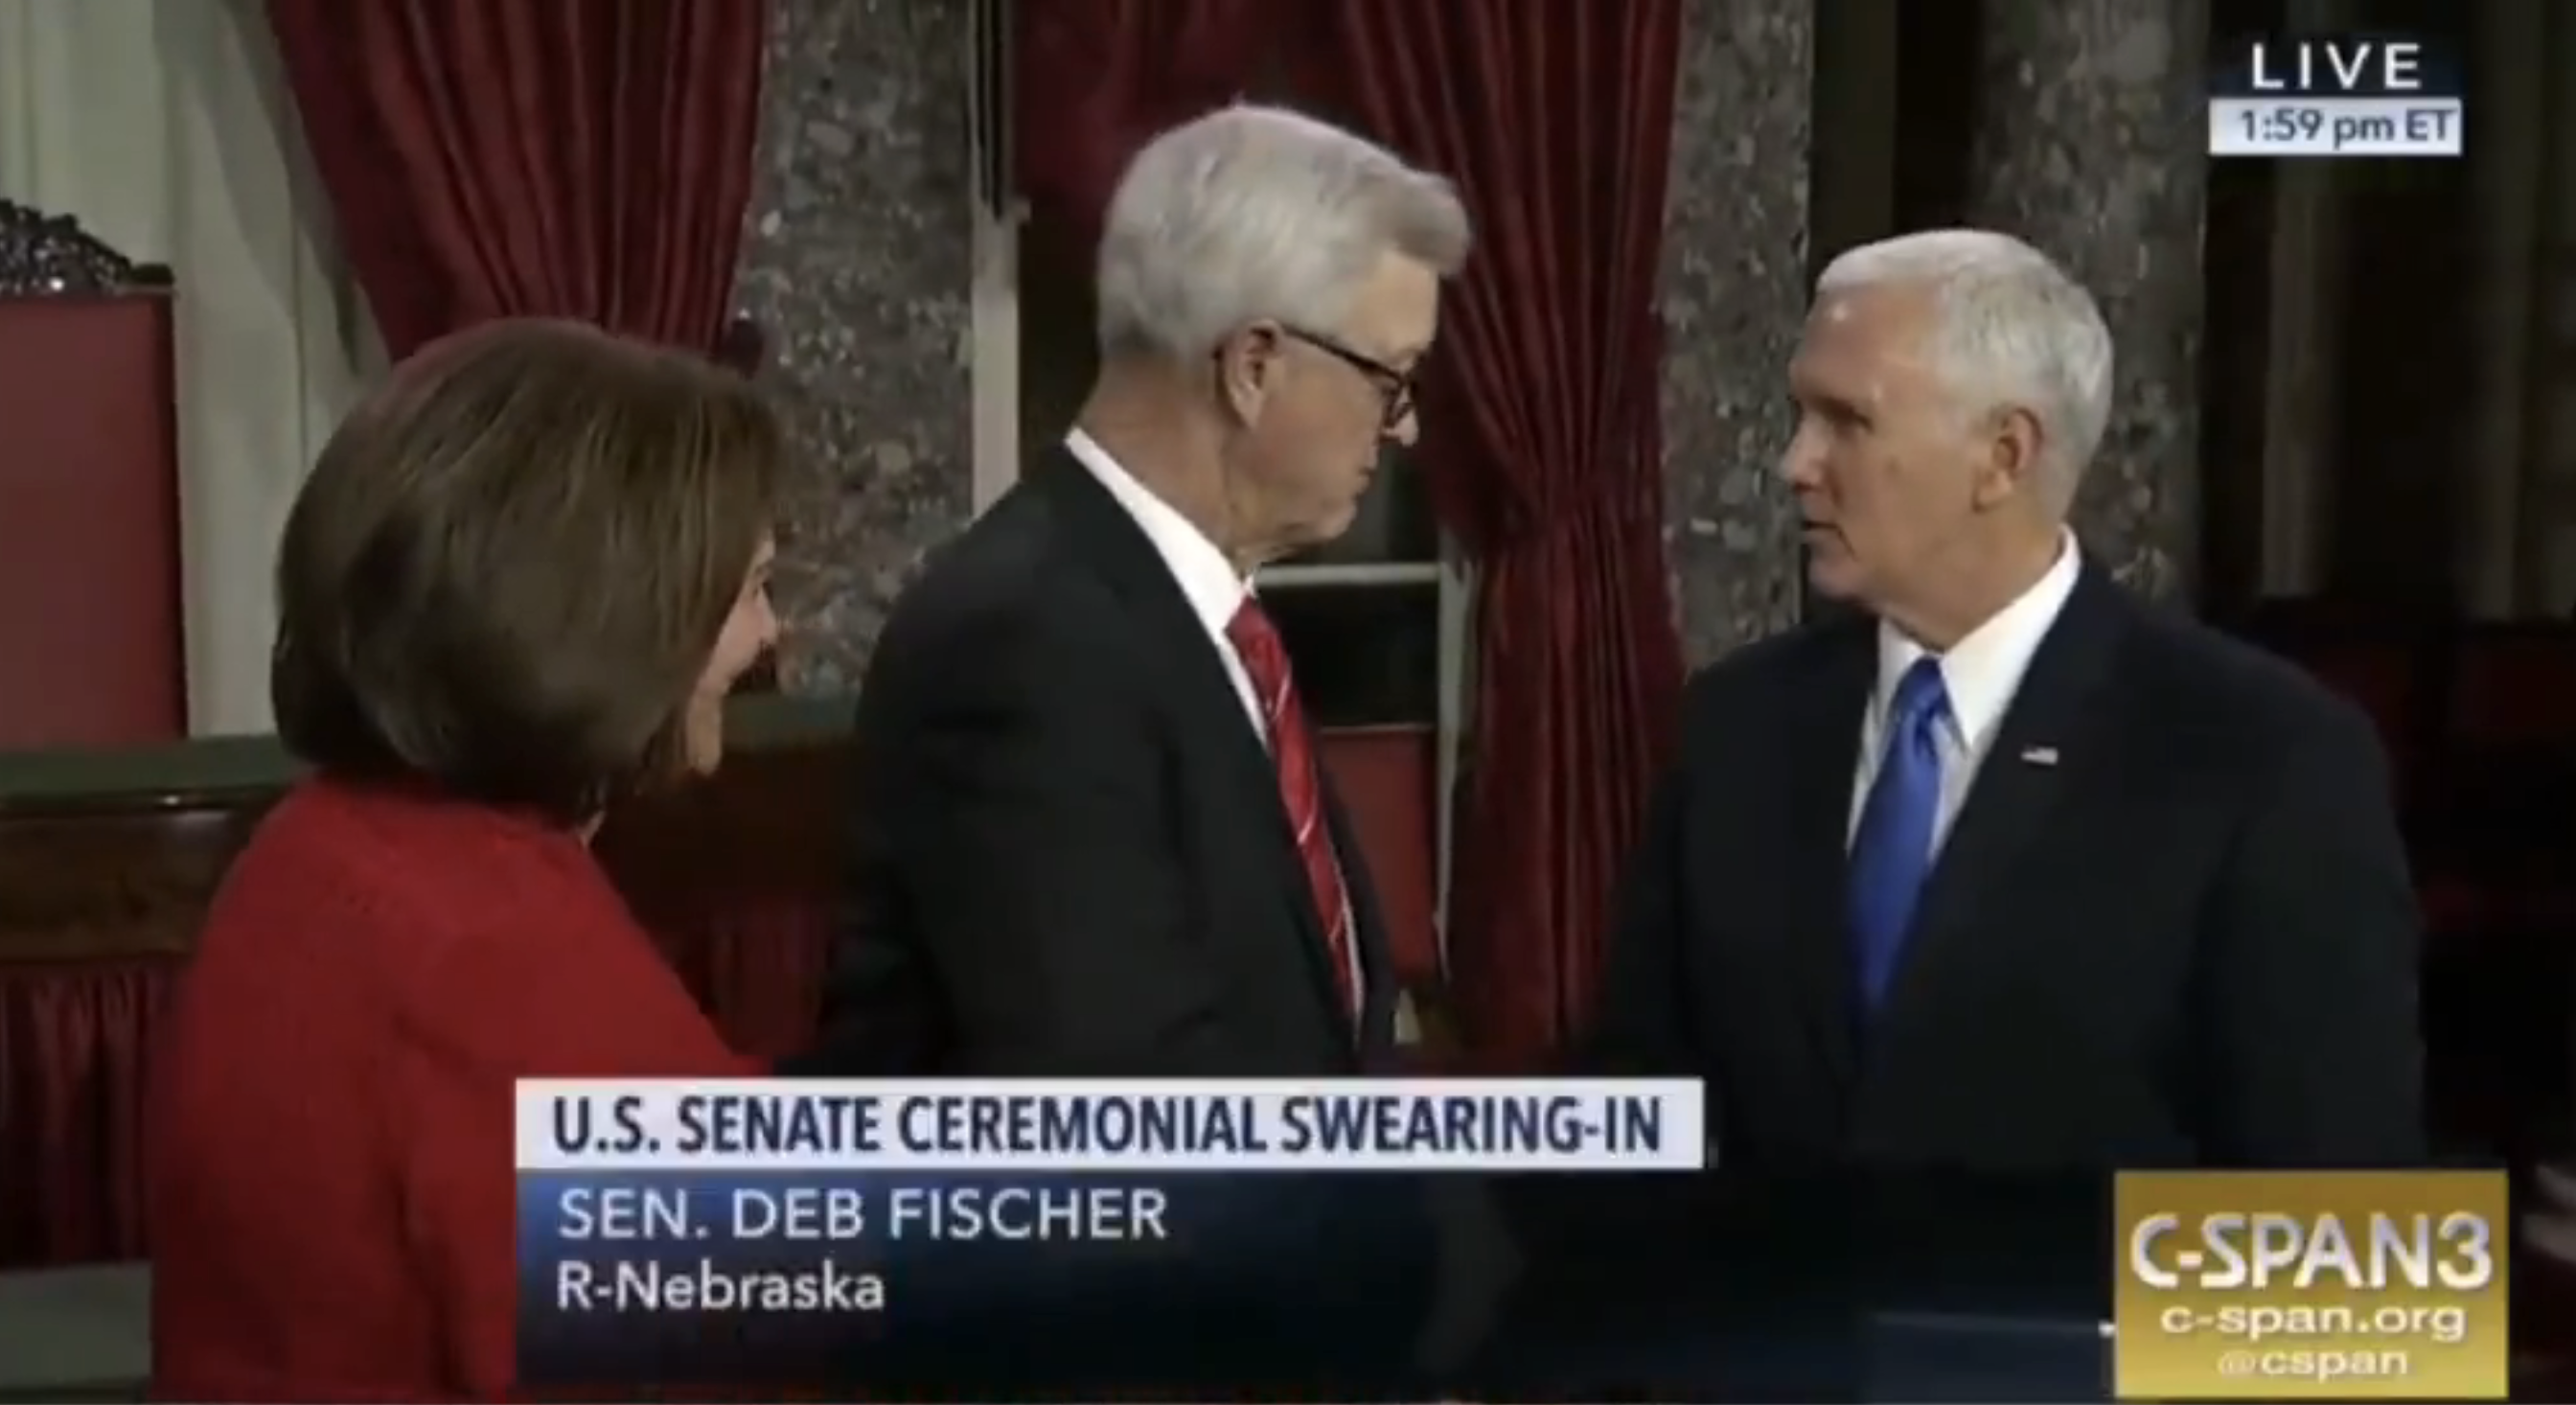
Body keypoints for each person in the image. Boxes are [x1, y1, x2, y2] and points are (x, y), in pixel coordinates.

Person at [1588, 229, 2426, 1168]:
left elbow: (2340, 1224)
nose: (1795, 462)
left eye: (1846, 421)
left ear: (2003, 454)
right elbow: (1639, 1108)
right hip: (1763, 1316)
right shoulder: (1738, 724)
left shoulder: (2264, 754)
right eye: (1800, 416)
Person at [148, 318, 783, 1400]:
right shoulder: (491, 955)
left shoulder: (324, 845)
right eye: (753, 585)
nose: (767, 634)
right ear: (612, 612)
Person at [797, 104, 1472, 1076]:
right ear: (1253, 367)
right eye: (1390, 379)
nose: (1402, 429)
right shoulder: (1023, 646)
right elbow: (1133, 1125)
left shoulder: (1192, 616)